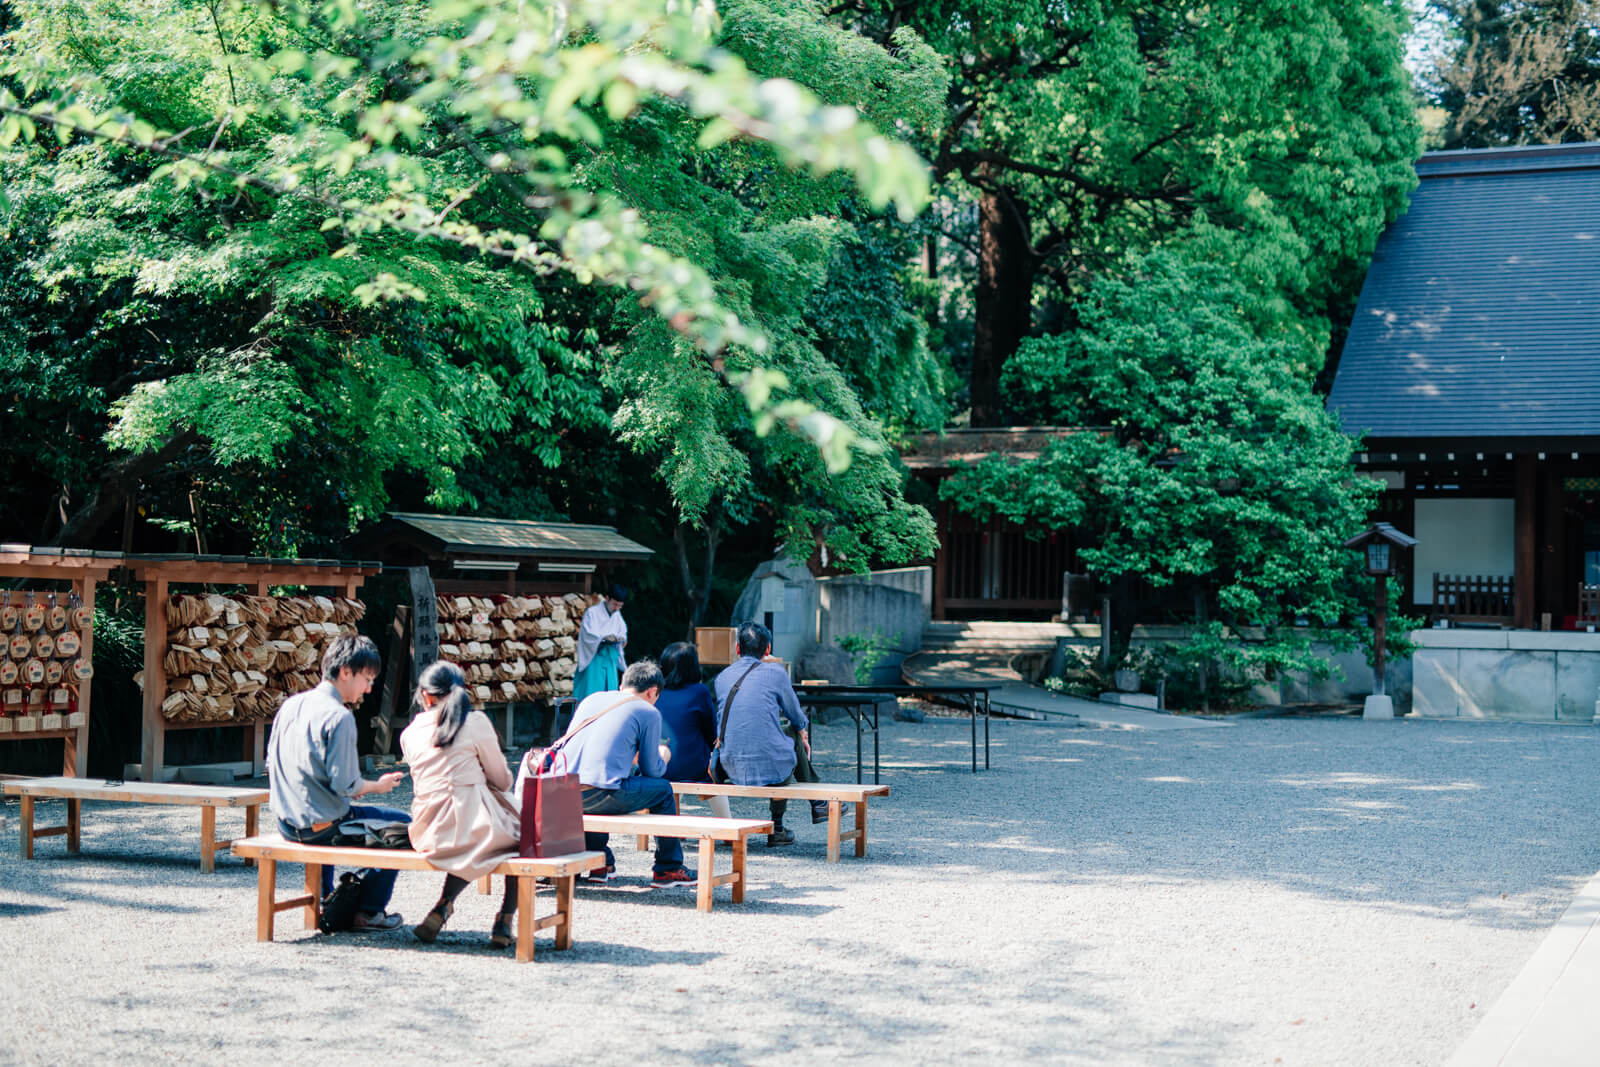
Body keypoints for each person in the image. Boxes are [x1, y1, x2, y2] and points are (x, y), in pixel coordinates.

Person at [266, 634, 410, 931]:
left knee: (332, 810)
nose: (369, 688)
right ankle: (368, 911)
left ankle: (325, 900)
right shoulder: (339, 717)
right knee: (404, 827)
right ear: (346, 671)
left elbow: (271, 764)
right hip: (320, 828)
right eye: (367, 678)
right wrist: (378, 786)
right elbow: (347, 786)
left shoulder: (291, 706)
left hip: (285, 822)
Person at [399, 661, 523, 948]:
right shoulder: (476, 722)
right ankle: (504, 918)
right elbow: (502, 780)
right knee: (523, 839)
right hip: (472, 823)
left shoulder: (408, 732)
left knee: (469, 839)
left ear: (425, 696)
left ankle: (444, 905)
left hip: (428, 829)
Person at [556, 659, 695, 886]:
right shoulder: (647, 711)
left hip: (563, 792)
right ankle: (668, 868)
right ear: (652, 692)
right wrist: (663, 755)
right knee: (663, 791)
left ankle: (600, 862)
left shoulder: (592, 700)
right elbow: (653, 770)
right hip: (601, 793)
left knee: (600, 783)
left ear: (623, 685)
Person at [711, 621, 827, 847]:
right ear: (768, 649)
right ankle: (783, 823)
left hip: (730, 766)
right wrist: (802, 731)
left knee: (777, 742)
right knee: (789, 737)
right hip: (772, 768)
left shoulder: (722, 677)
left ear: (737, 648)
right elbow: (795, 713)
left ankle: (817, 803)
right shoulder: (775, 673)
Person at [655, 641, 732, 819]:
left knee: (676, 765)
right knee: (713, 776)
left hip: (660, 764)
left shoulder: (656, 692)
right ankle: (726, 823)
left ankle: (673, 824)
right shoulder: (699, 692)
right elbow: (711, 733)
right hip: (692, 766)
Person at [572, 584, 628, 703]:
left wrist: (621, 639)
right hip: (594, 658)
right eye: (614, 604)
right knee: (591, 695)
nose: (617, 608)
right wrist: (604, 637)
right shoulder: (592, 612)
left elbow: (623, 632)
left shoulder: (617, 616)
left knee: (610, 695)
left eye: (620, 606)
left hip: (610, 659)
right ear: (607, 598)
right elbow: (588, 635)